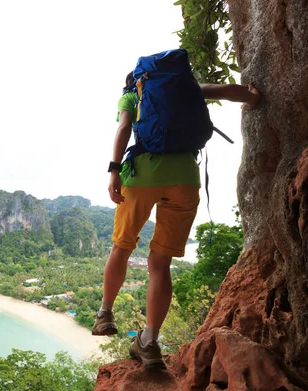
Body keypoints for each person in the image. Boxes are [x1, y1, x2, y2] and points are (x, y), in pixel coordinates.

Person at [92, 73, 261, 370]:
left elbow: (123, 127)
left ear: (135, 82)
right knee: (161, 263)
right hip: (185, 179)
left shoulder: (134, 96)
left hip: (142, 176)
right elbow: (228, 91)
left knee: (122, 246)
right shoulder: (186, 90)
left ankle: (105, 314)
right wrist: (252, 98)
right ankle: (150, 341)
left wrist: (114, 170)